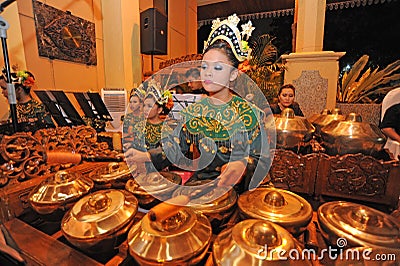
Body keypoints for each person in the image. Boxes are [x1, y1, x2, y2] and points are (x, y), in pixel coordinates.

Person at [126, 14, 271, 192]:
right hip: (201, 185)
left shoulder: (250, 113)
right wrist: (144, 156)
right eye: (204, 67)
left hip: (238, 193)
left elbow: (261, 160)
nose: (208, 73)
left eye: (217, 67)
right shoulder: (194, 111)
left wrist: (243, 165)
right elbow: (174, 147)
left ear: (233, 74)